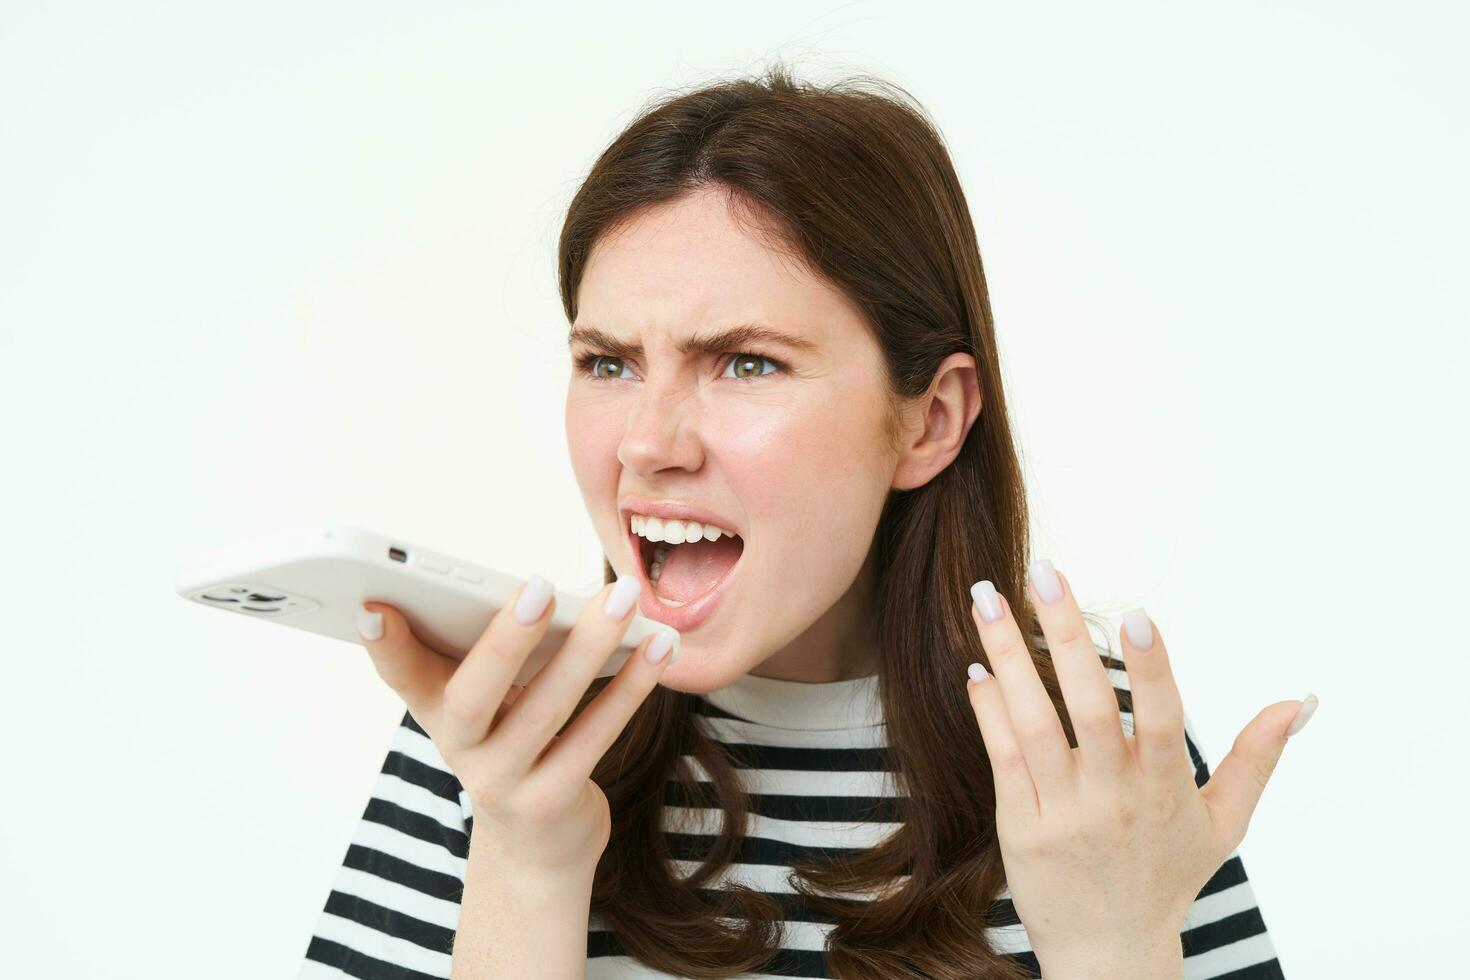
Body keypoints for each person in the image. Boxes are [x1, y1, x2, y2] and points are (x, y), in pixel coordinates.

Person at [300, 64, 1308, 979]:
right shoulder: (499, 729)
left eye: (747, 362)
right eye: (608, 361)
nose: (649, 444)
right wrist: (526, 856)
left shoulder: (1092, 751)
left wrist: (1113, 949)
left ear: (930, 419)